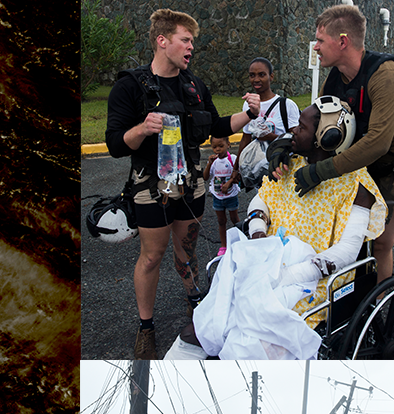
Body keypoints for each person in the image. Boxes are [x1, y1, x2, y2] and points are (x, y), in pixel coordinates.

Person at [164, 97, 387, 360]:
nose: (292, 130)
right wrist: (258, 234)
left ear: (326, 137)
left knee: (245, 337)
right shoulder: (289, 162)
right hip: (265, 263)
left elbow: (347, 252)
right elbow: (262, 200)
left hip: (312, 281)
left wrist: (287, 275)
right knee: (199, 329)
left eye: (301, 127)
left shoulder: (356, 184)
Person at [105, 8, 261, 360]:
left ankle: (195, 300)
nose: (191, 47)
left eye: (193, 41)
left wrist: (250, 114)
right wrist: (143, 128)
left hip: (192, 182)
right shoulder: (130, 86)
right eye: (185, 40)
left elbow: (217, 126)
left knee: (186, 252)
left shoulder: (194, 85)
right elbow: (115, 143)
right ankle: (146, 327)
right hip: (150, 184)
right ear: (163, 41)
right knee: (151, 256)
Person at [276, 5, 394, 283]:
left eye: (319, 40)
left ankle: (382, 308)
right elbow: (313, 122)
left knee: (380, 244)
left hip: (389, 166)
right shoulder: (335, 79)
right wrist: (284, 145)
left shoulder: (384, 75)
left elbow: (379, 142)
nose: (315, 47)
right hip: (355, 167)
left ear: (342, 41)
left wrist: (320, 171)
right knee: (345, 239)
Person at [234, 57, 300, 183]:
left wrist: (271, 137)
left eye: (262, 75)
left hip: (283, 170)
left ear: (271, 77)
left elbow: (297, 140)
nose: (256, 79)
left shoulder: (286, 105)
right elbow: (246, 138)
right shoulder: (248, 105)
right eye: (252, 75)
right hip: (259, 170)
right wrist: (236, 169)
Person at [203, 136, 240, 254]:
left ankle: (239, 241)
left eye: (221, 146)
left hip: (231, 196)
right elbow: (205, 177)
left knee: (235, 219)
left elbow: (238, 176)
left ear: (228, 144)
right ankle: (223, 245)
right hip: (217, 196)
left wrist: (229, 183)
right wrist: (209, 164)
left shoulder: (232, 159)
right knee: (221, 221)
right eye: (214, 147)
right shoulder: (213, 162)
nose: (217, 149)